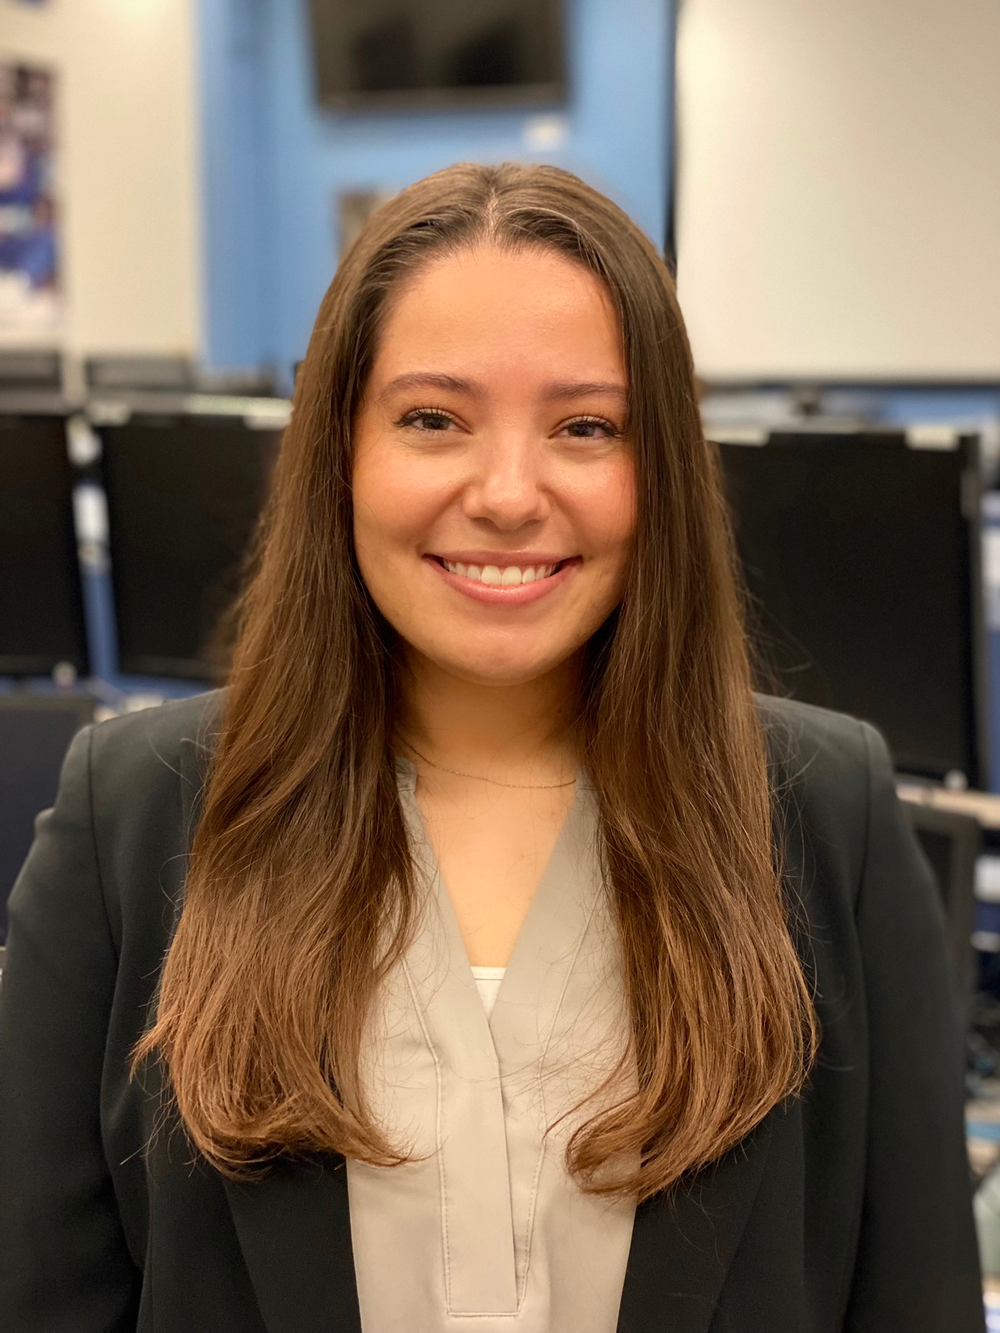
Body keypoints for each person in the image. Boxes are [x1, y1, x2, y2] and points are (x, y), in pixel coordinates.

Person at [0, 162, 984, 1332]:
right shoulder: (134, 818)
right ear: (340, 453)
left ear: (659, 466)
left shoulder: (827, 817)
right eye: (432, 418)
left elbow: (911, 1300)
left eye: (584, 425)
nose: (509, 493)